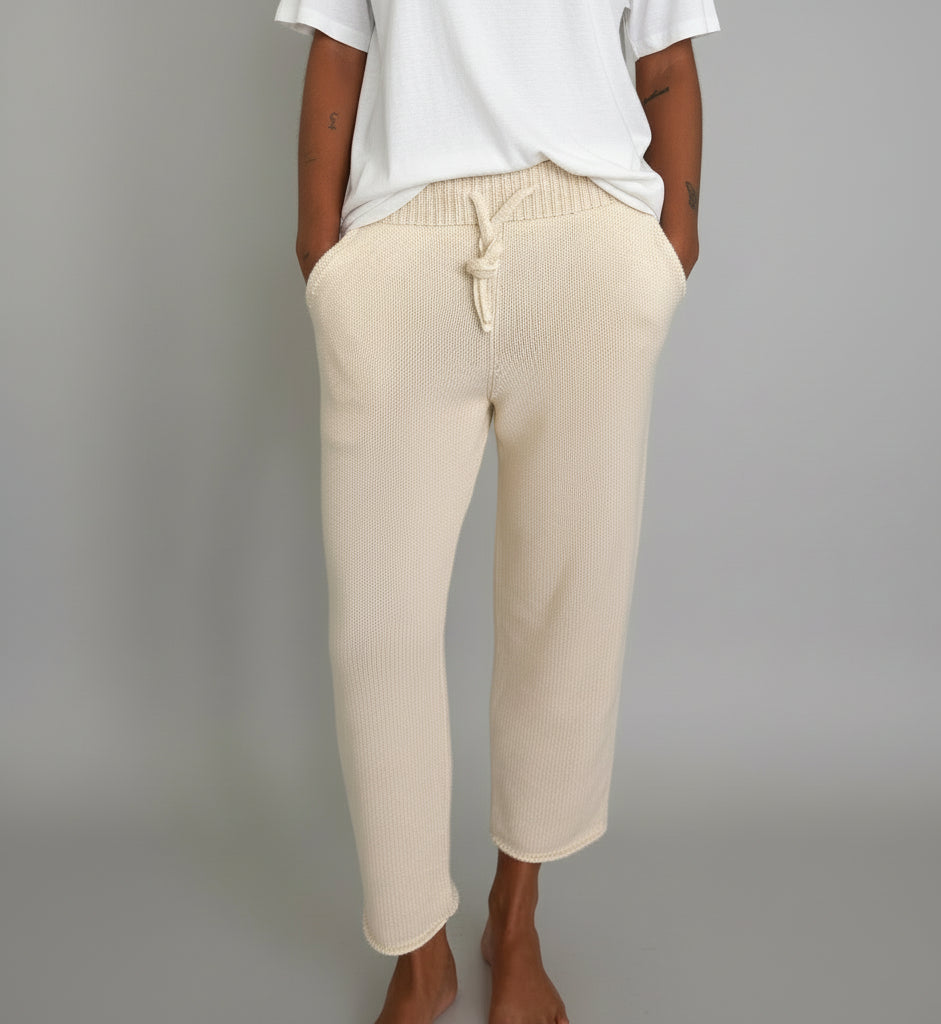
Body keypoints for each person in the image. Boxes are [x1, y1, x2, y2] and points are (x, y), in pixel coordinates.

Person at [272, 1, 721, 1021]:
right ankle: (415, 947)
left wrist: (666, 254)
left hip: (585, 251)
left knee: (565, 611)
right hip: (403, 255)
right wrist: (324, 262)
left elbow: (665, 56)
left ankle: (514, 920)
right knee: (377, 631)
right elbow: (339, 48)